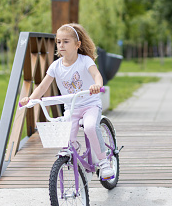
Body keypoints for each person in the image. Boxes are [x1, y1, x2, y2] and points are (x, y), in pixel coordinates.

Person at [19, 23, 114, 180]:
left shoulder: (85, 61)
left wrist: (97, 85)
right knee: (65, 140)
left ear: (77, 45)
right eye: (58, 41)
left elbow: (96, 75)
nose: (61, 45)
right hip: (72, 108)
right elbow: (42, 86)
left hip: (90, 105)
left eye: (66, 41)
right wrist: (30, 99)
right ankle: (76, 153)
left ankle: (104, 163)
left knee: (90, 127)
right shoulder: (55, 66)